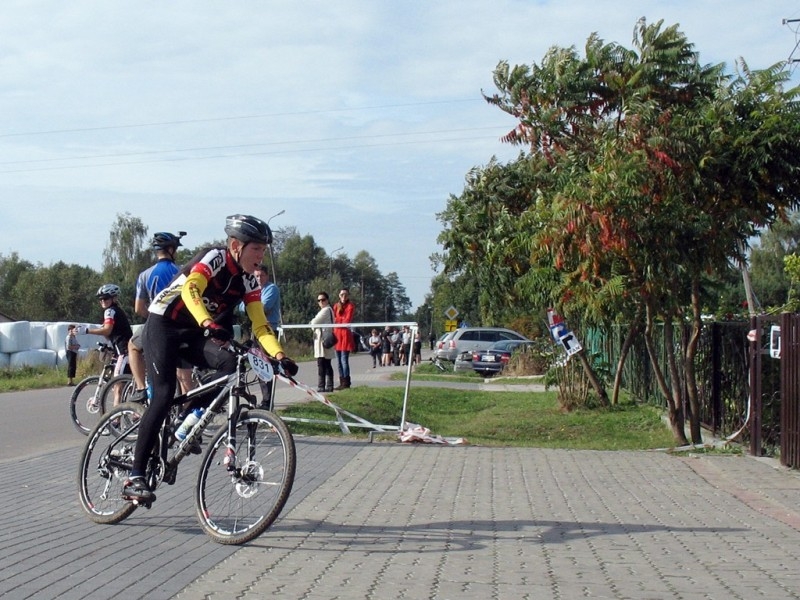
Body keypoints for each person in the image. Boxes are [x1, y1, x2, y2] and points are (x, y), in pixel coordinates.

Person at [122, 214, 296, 504]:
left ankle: (187, 420)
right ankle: (135, 475)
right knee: (163, 394)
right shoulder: (215, 257)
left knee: (229, 365)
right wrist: (206, 322)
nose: (261, 256)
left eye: (264, 251)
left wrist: (279, 355)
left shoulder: (249, 281)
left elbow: (260, 324)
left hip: (193, 330)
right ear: (236, 246)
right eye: (257, 249)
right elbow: (191, 289)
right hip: (163, 324)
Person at [128, 231, 187, 403]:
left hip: (157, 325)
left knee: (132, 346)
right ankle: (189, 419)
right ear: (170, 249)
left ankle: (140, 388)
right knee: (185, 377)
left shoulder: (145, 275)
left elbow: (139, 308)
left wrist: (154, 317)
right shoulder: (181, 272)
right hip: (181, 325)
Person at [80, 284, 133, 379]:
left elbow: (107, 331)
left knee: (118, 381)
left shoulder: (110, 311)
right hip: (125, 349)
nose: (102, 301)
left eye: (106, 298)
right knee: (125, 381)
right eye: (100, 299)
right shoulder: (116, 311)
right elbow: (111, 334)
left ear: (114, 298)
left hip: (123, 350)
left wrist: (87, 330)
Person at [253, 263, 282, 410]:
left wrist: (250, 307)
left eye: (261, 275)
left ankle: (267, 402)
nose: (258, 278)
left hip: (268, 330)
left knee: (266, 367)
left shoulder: (271, 289)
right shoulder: (254, 290)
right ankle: (265, 399)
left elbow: (264, 308)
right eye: (256, 276)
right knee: (258, 366)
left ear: (267, 276)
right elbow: (241, 307)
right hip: (256, 330)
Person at [310, 291, 335, 392]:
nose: (321, 302)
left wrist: (312, 322)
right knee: (325, 363)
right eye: (319, 300)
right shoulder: (326, 310)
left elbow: (314, 322)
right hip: (323, 339)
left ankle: (322, 385)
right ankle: (328, 385)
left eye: (323, 299)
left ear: (327, 300)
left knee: (322, 363)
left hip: (323, 340)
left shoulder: (326, 310)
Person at [332, 287, 355, 389]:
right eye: (342, 294)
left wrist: (339, 320)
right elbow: (333, 319)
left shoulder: (350, 306)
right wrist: (339, 320)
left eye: (345, 294)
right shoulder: (336, 306)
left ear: (348, 296)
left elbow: (347, 320)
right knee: (338, 361)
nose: (343, 296)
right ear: (339, 295)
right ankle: (341, 381)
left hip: (345, 335)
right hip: (337, 335)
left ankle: (346, 382)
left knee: (344, 360)